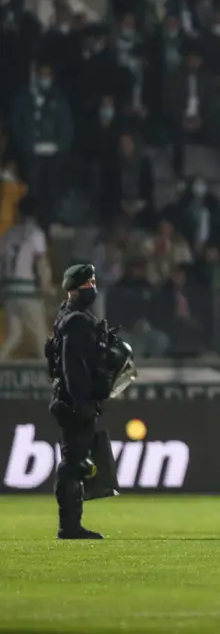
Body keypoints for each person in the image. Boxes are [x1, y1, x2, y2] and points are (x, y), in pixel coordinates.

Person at [48, 265, 106, 539]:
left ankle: (71, 524)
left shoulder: (68, 316)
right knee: (74, 462)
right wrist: (82, 400)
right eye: (87, 283)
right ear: (73, 288)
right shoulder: (77, 321)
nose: (92, 288)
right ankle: (69, 526)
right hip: (73, 401)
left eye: (94, 282)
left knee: (76, 460)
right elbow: (74, 366)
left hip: (67, 398)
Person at [0, 197, 51, 359]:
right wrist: (46, 285)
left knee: (15, 334)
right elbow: (41, 263)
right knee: (40, 336)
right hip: (26, 289)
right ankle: (49, 375)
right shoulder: (35, 233)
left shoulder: (8, 234)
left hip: (8, 290)